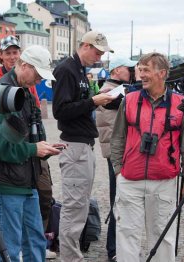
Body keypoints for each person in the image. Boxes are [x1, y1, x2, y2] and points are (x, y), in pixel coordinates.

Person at [110, 52, 184, 262]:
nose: (141, 75)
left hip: (164, 182)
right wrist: (118, 171)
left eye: (146, 70)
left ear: (162, 73)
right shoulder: (129, 100)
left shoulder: (181, 103)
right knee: (126, 235)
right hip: (130, 180)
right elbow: (117, 138)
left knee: (163, 238)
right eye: (140, 70)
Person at [0, 45, 64, 261]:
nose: (39, 80)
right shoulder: (1, 93)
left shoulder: (24, 91)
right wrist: (34, 149)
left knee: (36, 239)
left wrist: (43, 148)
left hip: (27, 179)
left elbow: (29, 134)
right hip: (7, 180)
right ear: (24, 66)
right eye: (38, 75)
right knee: (9, 245)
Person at [52, 30, 115, 261]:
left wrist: (98, 95)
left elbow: (76, 104)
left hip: (83, 145)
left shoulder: (79, 69)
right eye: (97, 52)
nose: (99, 58)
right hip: (75, 146)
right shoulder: (67, 69)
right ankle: (70, 257)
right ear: (86, 46)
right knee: (74, 209)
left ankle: (72, 255)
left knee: (79, 207)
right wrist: (93, 101)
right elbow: (60, 111)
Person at [95, 56, 137, 262]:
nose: (132, 71)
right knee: (118, 199)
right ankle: (113, 248)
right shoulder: (108, 92)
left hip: (120, 151)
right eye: (129, 68)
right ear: (116, 70)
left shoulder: (118, 89)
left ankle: (118, 246)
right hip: (117, 153)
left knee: (120, 198)